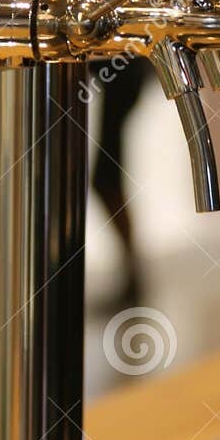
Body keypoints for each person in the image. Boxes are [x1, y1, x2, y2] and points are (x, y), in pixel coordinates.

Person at [89, 57, 149, 309]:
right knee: (106, 178)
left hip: (122, 73)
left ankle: (133, 272)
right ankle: (132, 271)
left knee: (106, 179)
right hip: (121, 73)